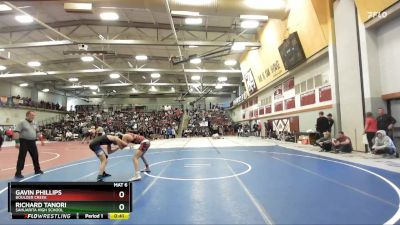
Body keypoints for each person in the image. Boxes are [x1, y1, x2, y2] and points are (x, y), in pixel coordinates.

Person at [13, 111, 43, 178]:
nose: (33, 116)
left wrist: (41, 140)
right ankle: (18, 173)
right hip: (24, 142)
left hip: (32, 142)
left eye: (34, 115)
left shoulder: (34, 123)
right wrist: (17, 142)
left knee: (35, 156)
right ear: (27, 115)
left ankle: (37, 170)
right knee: (22, 157)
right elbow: (16, 132)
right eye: (32, 115)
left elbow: (37, 132)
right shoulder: (22, 122)